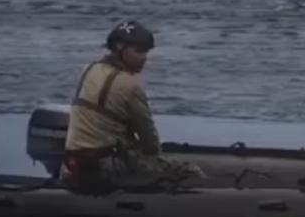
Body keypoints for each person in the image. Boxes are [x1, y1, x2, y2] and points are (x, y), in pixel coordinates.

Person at [61, 20, 205, 191]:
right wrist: (154, 158)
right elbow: (150, 142)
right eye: (139, 51)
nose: (144, 58)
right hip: (107, 166)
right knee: (189, 171)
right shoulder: (130, 84)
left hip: (76, 161)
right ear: (120, 48)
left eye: (146, 52)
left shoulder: (88, 69)